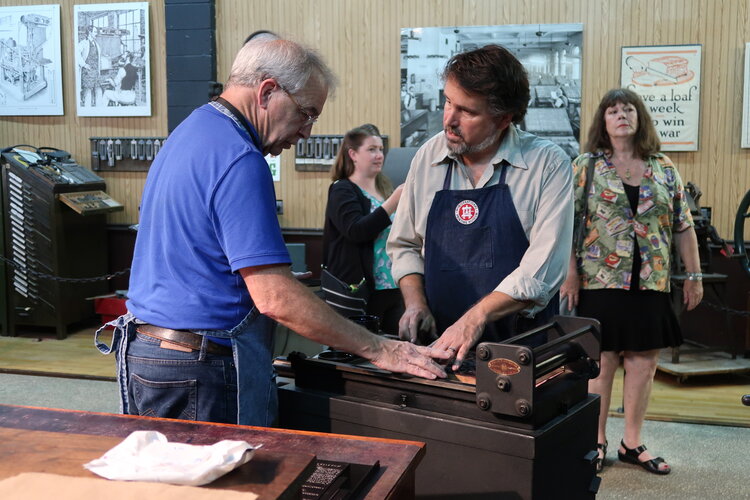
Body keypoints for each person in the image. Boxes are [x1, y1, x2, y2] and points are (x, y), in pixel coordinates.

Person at [95, 37, 449, 427]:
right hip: (200, 366)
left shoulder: (190, 132)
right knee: (231, 484)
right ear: (267, 91)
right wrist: (380, 349)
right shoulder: (241, 159)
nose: (307, 133)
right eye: (306, 114)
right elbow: (275, 298)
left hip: (149, 351)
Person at [387, 44, 573, 370]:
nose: (449, 120)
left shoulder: (547, 165)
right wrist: (415, 303)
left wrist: (476, 317)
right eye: (447, 102)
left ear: (503, 119)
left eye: (467, 112)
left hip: (520, 350)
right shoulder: (428, 158)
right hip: (440, 348)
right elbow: (404, 245)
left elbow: (541, 273)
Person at [560, 88, 703, 475]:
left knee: (643, 363)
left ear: (639, 117)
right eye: (613, 110)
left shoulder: (663, 167)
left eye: (628, 109)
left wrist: (694, 275)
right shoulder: (585, 165)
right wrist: (570, 274)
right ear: (602, 121)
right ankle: (597, 439)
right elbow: (568, 226)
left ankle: (632, 442)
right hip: (599, 279)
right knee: (602, 362)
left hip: (651, 279)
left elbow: (682, 226)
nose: (621, 115)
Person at [322, 124, 404, 334]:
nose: (379, 155)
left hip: (392, 286)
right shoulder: (342, 189)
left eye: (380, 149)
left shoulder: (385, 188)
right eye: (371, 149)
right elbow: (356, 231)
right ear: (353, 154)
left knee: (394, 346)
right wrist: (393, 203)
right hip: (360, 288)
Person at [77, 25, 101, 107]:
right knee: (88, 92)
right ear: (90, 33)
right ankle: (87, 110)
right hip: (87, 72)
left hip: (95, 72)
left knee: (98, 90)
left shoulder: (96, 44)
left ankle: (98, 111)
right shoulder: (83, 43)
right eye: (94, 32)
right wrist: (84, 64)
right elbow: (76, 54)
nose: (96, 34)